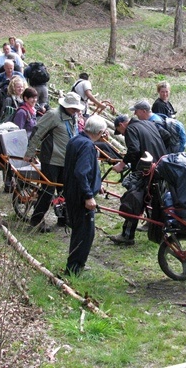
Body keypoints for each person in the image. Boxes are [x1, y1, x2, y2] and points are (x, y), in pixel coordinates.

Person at [24, 92, 85, 231]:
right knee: (47, 192)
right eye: (72, 108)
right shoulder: (53, 115)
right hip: (51, 160)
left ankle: (63, 218)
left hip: (67, 161)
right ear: (65, 105)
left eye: (76, 108)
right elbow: (37, 132)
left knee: (65, 191)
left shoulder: (73, 117)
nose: (75, 111)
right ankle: (36, 221)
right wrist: (30, 152)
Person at [109, 114, 167, 245]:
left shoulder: (130, 129)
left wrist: (121, 165)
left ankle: (127, 236)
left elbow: (134, 150)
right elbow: (166, 135)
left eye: (120, 132)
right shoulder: (148, 123)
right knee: (155, 200)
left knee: (133, 200)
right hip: (160, 166)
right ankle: (155, 228)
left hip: (146, 170)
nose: (123, 135)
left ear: (122, 125)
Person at [63, 115, 107, 276]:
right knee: (85, 233)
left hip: (72, 192)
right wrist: (89, 195)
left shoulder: (75, 140)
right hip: (80, 196)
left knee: (80, 231)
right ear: (101, 132)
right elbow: (81, 172)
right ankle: (74, 269)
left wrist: (97, 184)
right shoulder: (88, 146)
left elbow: (84, 170)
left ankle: (75, 263)